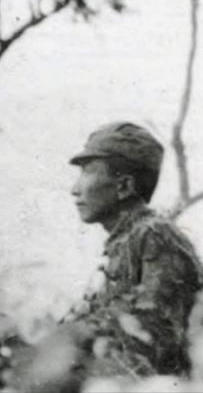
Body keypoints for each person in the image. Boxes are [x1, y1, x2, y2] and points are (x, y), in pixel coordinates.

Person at [65, 121, 203, 377]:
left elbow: (156, 339)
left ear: (124, 186)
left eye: (87, 172)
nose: (74, 190)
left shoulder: (155, 235)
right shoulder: (126, 240)